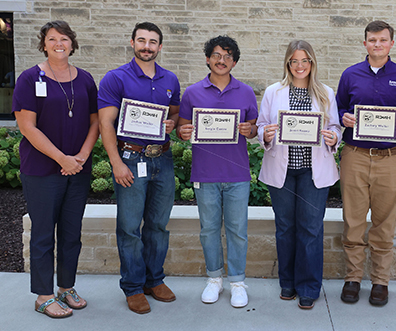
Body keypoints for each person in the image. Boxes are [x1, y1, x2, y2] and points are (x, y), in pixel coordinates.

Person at [12, 20, 98, 318]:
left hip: (78, 168)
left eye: (64, 38)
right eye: (52, 39)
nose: (58, 43)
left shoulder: (85, 79)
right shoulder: (29, 78)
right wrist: (62, 158)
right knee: (44, 234)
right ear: (44, 44)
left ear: (72, 44)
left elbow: (95, 121)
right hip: (42, 170)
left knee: (72, 233)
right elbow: (27, 127)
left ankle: (66, 287)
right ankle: (44, 295)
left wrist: (82, 156)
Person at [336, 20, 396, 306]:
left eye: (383, 40)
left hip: (390, 158)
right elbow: (338, 109)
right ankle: (352, 278)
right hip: (355, 156)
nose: (377, 45)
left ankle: (380, 282)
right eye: (372, 40)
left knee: (384, 224)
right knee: (353, 222)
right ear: (365, 43)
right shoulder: (350, 75)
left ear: (391, 44)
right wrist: (344, 117)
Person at [98, 22, 180, 314]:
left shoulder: (170, 79)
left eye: (153, 42)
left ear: (160, 46)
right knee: (130, 228)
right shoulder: (115, 78)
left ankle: (153, 280)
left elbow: (174, 114)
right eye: (142, 40)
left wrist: (172, 123)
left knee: (158, 225)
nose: (147, 46)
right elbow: (106, 123)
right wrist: (116, 162)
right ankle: (133, 286)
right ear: (132, 42)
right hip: (130, 159)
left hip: (163, 160)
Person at [257, 40, 341, 310]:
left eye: (305, 61)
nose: (300, 66)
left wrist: (333, 137)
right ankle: (288, 282)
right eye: (294, 61)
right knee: (285, 228)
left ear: (312, 63)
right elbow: (261, 125)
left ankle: (308, 286)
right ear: (288, 64)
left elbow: (336, 127)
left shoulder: (326, 93)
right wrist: (265, 134)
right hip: (282, 171)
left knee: (311, 229)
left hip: (312, 172)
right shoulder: (273, 92)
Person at [177, 35, 258, 308]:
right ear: (208, 59)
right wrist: (182, 131)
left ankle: (237, 282)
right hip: (205, 173)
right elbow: (183, 129)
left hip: (237, 175)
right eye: (216, 55)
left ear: (234, 61)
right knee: (208, 230)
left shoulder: (246, 92)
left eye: (227, 56)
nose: (221, 60)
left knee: (237, 230)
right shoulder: (192, 92)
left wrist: (250, 130)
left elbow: (254, 128)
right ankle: (214, 279)